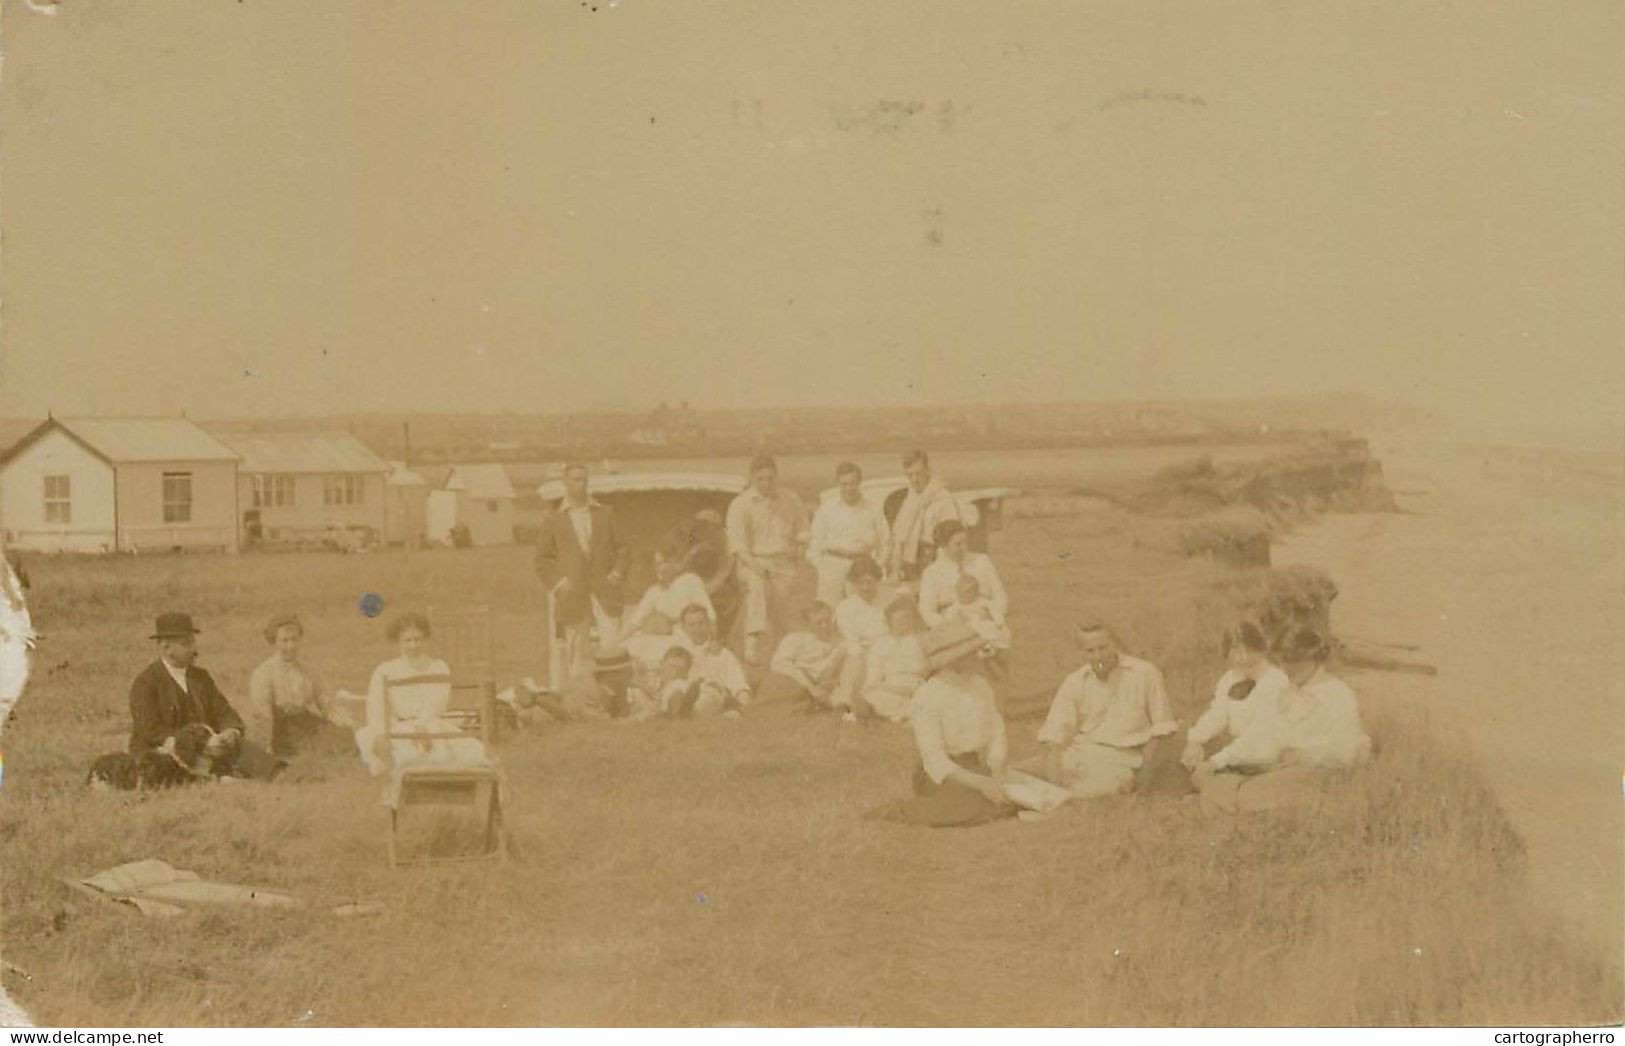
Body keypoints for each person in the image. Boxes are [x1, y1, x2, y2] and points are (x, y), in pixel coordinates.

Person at [1194, 626, 1372, 813]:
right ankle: (1234, 794)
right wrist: (1216, 762)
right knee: (1214, 774)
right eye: (1283, 661)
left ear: (1314, 658)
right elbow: (1257, 735)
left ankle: (1232, 797)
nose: (1288, 668)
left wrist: (1304, 754)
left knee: (1267, 787)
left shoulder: (1337, 693)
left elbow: (1345, 751)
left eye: (1295, 660)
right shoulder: (1283, 691)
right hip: (1276, 768)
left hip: (1316, 771)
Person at [867, 619, 1016, 827]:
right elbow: (935, 761)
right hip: (942, 776)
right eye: (973, 653)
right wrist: (983, 784)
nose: (979, 657)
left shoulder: (981, 685)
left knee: (1011, 790)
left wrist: (997, 772)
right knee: (973, 803)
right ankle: (906, 809)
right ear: (956, 660)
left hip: (976, 767)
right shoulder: (929, 697)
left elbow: (997, 731)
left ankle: (985, 802)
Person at [1029, 622, 1178, 799]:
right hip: (1077, 755)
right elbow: (1053, 737)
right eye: (1090, 651)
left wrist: (1143, 783)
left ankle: (1051, 801)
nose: (1098, 656)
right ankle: (1045, 799)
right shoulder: (1075, 681)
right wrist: (1055, 783)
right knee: (1013, 774)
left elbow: (1163, 730)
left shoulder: (1144, 673)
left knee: (1091, 792)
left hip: (1121, 762)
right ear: (1081, 653)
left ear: (1114, 644)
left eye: (1103, 648)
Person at [127, 612, 282, 780]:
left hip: (207, 748)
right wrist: (194, 746)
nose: (194, 649)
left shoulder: (201, 677)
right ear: (166, 648)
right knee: (166, 769)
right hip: (164, 751)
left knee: (242, 749)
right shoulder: (146, 682)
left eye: (193, 642)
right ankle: (219, 776)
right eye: (186, 643)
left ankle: (279, 775)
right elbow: (149, 730)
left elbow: (223, 711)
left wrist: (230, 732)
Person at [355, 612, 490, 776]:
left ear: (425, 639)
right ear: (399, 642)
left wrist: (422, 725)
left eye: (417, 639)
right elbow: (376, 706)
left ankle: (434, 773)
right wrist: (380, 733)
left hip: (428, 723)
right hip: (400, 726)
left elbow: (438, 702)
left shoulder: (438, 667)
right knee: (378, 741)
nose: (413, 646)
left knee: (453, 750)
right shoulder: (386, 670)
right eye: (407, 640)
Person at [535, 462, 630, 684]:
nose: (582, 484)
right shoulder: (554, 519)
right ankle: (575, 699)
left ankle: (615, 697)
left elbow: (623, 549)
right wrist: (559, 583)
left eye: (584, 479)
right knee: (575, 649)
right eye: (576, 480)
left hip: (605, 592)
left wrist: (616, 574)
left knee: (613, 643)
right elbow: (542, 559)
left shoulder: (605, 513)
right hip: (572, 594)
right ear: (565, 483)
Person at [725, 455, 809, 664]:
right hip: (752, 562)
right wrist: (757, 567)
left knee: (788, 606)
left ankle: (787, 650)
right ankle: (752, 644)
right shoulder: (741, 504)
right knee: (758, 587)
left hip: (784, 562)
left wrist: (800, 548)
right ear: (752, 478)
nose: (766, 483)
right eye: (761, 479)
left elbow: (803, 530)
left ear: (776, 476)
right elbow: (738, 546)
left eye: (770, 478)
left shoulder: (791, 499)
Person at [1180, 620, 1291, 771]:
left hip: (1265, 752)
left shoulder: (1275, 681)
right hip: (1236, 749)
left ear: (1261, 649)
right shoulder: (1230, 678)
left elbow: (1258, 732)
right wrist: (1195, 741)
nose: (1243, 658)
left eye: (1249, 651)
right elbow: (1217, 714)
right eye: (1237, 652)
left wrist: (1217, 761)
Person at [247, 615, 354, 757]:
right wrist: (266, 748)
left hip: (306, 722)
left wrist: (348, 723)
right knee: (322, 752)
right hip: (281, 729)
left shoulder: (307, 670)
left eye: (294, 639)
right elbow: (263, 716)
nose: (290, 646)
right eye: (284, 641)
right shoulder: (263, 673)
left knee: (347, 740)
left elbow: (326, 704)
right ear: (274, 642)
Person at [806, 462, 890, 607]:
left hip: (861, 567)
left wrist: (876, 566)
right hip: (832, 566)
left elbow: (885, 541)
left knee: (861, 610)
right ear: (838, 484)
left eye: (852, 483)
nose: (848, 488)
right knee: (829, 610)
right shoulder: (828, 508)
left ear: (859, 483)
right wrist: (821, 566)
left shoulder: (872, 509)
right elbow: (815, 540)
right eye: (844, 484)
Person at [623, 545, 715, 668]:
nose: (658, 568)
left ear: (674, 562)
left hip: (689, 637)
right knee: (633, 645)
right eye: (656, 565)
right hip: (664, 638)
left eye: (662, 563)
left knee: (663, 653)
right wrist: (615, 643)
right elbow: (634, 623)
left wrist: (713, 642)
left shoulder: (690, 581)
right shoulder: (654, 591)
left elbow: (710, 616)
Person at [885, 450, 964, 584]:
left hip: (934, 558)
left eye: (918, 473)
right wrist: (895, 570)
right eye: (910, 475)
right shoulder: (910, 500)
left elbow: (953, 538)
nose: (915, 479)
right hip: (909, 560)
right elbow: (899, 538)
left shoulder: (943, 499)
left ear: (928, 470)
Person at [664, 509, 743, 641]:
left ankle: (720, 638)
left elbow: (726, 566)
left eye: (710, 525)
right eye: (702, 524)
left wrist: (711, 586)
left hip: (719, 585)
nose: (706, 528)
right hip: (692, 581)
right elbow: (677, 564)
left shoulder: (724, 539)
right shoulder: (688, 536)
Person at [917, 519, 1008, 629]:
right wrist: (949, 625)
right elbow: (926, 612)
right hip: (952, 627)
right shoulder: (932, 573)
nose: (964, 548)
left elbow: (1000, 596)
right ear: (944, 545)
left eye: (965, 542)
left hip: (986, 620)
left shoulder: (982, 561)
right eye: (958, 544)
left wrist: (991, 615)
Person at [756, 601, 847, 710]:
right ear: (807, 624)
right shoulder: (796, 639)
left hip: (817, 684)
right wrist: (809, 686)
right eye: (819, 623)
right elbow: (778, 664)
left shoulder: (839, 641)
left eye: (827, 620)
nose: (825, 626)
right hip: (790, 680)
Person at [853, 596, 928, 723]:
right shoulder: (881, 645)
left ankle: (903, 714)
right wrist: (892, 689)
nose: (905, 623)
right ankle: (902, 714)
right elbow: (874, 679)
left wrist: (916, 688)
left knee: (927, 698)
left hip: (917, 687)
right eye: (900, 620)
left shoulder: (921, 641)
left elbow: (927, 670)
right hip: (890, 688)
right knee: (874, 697)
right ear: (890, 622)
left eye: (908, 618)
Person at [672, 602, 752, 717]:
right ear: (683, 628)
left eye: (701, 623)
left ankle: (688, 713)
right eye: (692, 625)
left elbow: (740, 687)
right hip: (681, 691)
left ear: (709, 624)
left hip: (711, 693)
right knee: (676, 689)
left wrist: (741, 705)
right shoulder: (678, 651)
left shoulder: (723, 654)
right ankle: (681, 710)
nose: (697, 629)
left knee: (706, 697)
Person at [529, 645, 644, 725]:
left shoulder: (614, 686)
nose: (631, 673)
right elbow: (606, 724)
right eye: (625, 670)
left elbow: (623, 709)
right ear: (611, 675)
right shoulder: (590, 693)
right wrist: (640, 718)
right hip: (549, 716)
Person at [943, 573, 1012, 654]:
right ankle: (980, 650)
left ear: (975, 593)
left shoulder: (981, 601)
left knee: (996, 632)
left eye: (966, 595)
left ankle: (987, 649)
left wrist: (998, 619)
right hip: (968, 628)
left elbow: (993, 609)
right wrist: (949, 619)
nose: (963, 598)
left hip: (982, 624)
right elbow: (950, 614)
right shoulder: (958, 605)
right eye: (960, 595)